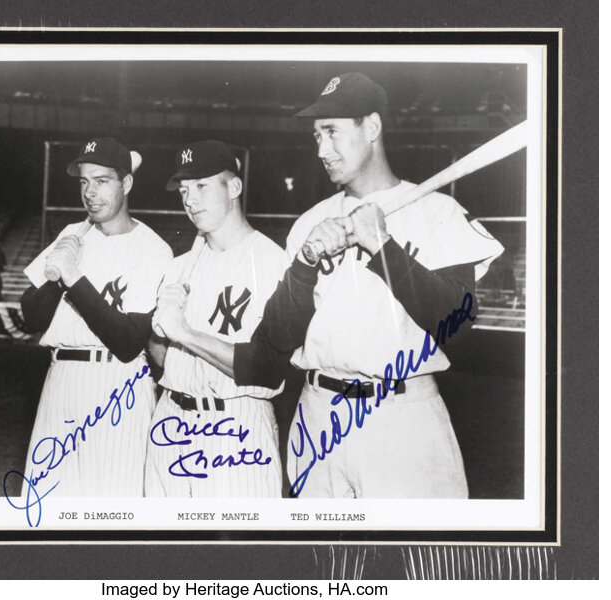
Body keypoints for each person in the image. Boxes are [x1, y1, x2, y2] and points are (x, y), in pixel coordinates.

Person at [158, 73, 504, 499]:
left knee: (411, 560)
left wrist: (383, 247)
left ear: (372, 128)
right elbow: (276, 340)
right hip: (317, 413)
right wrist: (305, 263)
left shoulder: (438, 212)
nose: (321, 149)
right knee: (317, 561)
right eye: (316, 136)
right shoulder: (310, 223)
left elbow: (458, 323)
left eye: (332, 132)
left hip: (401, 415)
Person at [18, 137, 172, 498]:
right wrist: (57, 277)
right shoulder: (71, 233)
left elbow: (128, 341)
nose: (90, 192)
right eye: (84, 182)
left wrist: (72, 276)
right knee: (48, 504)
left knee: (115, 506)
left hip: (119, 386)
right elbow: (31, 316)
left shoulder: (152, 249)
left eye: (102, 181)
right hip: (61, 379)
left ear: (127, 184)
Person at [146, 140, 289, 497]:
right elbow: (162, 360)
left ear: (235, 187)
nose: (189, 200)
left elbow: (266, 367)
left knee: (234, 551)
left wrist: (185, 333)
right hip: (171, 417)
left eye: (201, 186)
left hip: (236, 425)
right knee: (163, 549)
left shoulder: (273, 263)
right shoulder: (178, 268)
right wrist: (159, 331)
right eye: (183, 190)